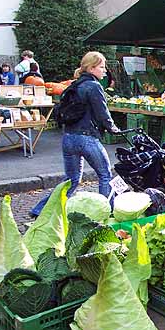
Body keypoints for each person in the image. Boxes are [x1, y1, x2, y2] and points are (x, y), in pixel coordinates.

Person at [30, 52, 120, 217]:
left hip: (68, 138)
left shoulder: (75, 84)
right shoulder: (94, 86)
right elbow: (103, 114)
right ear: (91, 68)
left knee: (71, 180)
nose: (105, 71)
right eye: (102, 67)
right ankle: (108, 211)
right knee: (105, 175)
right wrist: (113, 128)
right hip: (86, 138)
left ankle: (40, 210)